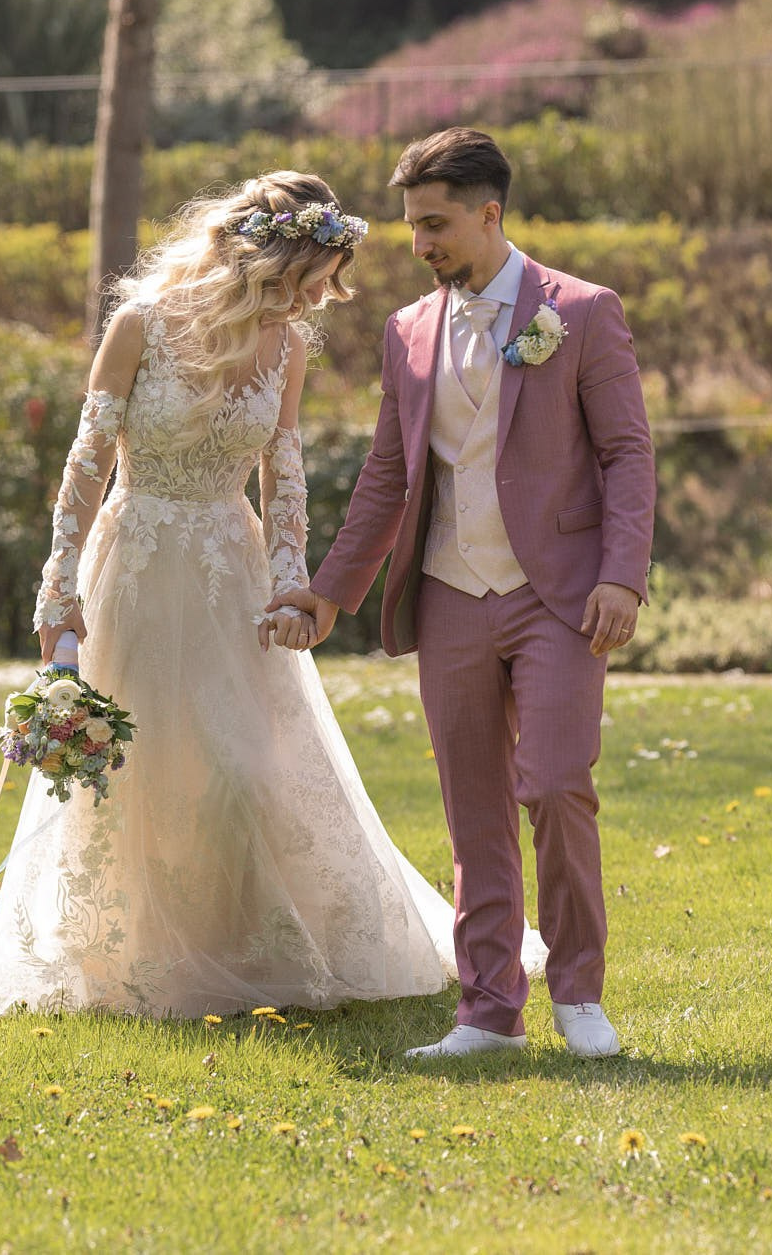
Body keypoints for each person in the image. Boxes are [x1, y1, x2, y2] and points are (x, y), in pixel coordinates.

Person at [0, 171, 544, 1021]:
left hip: (231, 573)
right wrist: (59, 593)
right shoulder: (138, 327)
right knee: (134, 771)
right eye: (310, 281)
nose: (318, 300)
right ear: (264, 261)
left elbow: (285, 476)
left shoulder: (289, 349)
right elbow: (86, 466)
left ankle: (244, 945)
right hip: (136, 564)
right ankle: (127, 956)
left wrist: (292, 580)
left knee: (242, 769)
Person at [268, 129, 656, 1060]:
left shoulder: (583, 312)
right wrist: (329, 594)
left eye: (436, 224)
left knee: (557, 784)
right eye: (411, 227)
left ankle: (579, 995)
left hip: (558, 594)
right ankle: (488, 1011)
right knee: (472, 807)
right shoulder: (406, 332)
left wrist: (622, 577)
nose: (421, 245)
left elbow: (627, 454)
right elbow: (385, 480)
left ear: (491, 213)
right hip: (448, 593)